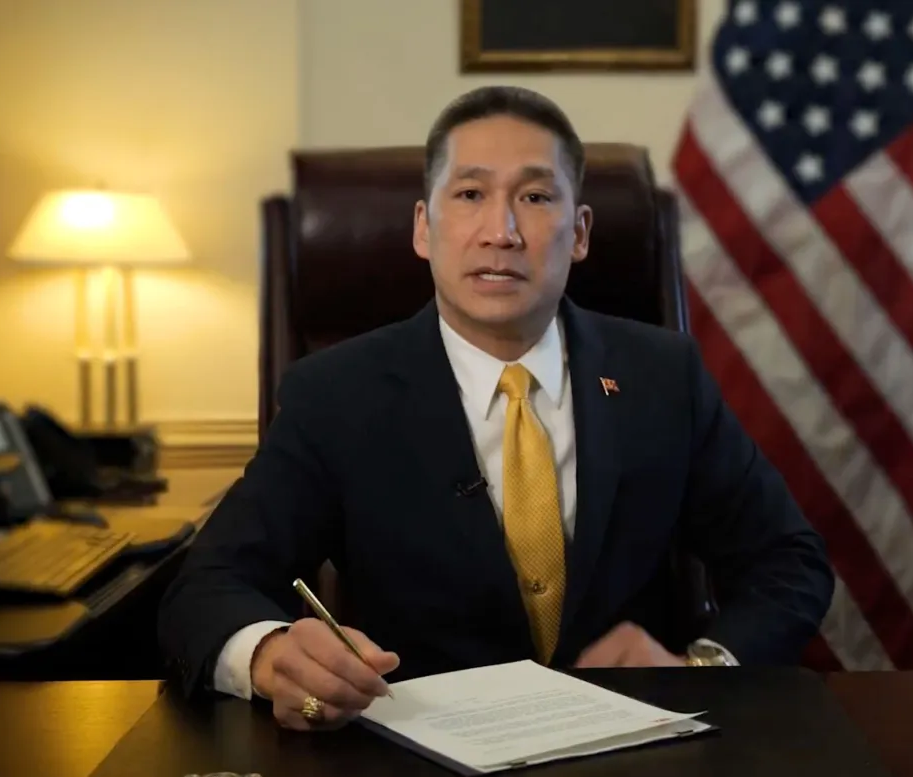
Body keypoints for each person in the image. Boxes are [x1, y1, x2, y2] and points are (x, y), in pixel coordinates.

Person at [157, 85, 835, 731]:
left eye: (536, 196)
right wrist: (273, 652)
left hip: (630, 751)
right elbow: (209, 585)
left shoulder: (663, 376)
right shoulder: (334, 395)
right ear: (424, 226)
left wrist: (702, 667)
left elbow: (789, 560)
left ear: (579, 232)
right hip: (413, 752)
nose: (501, 230)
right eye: (471, 193)